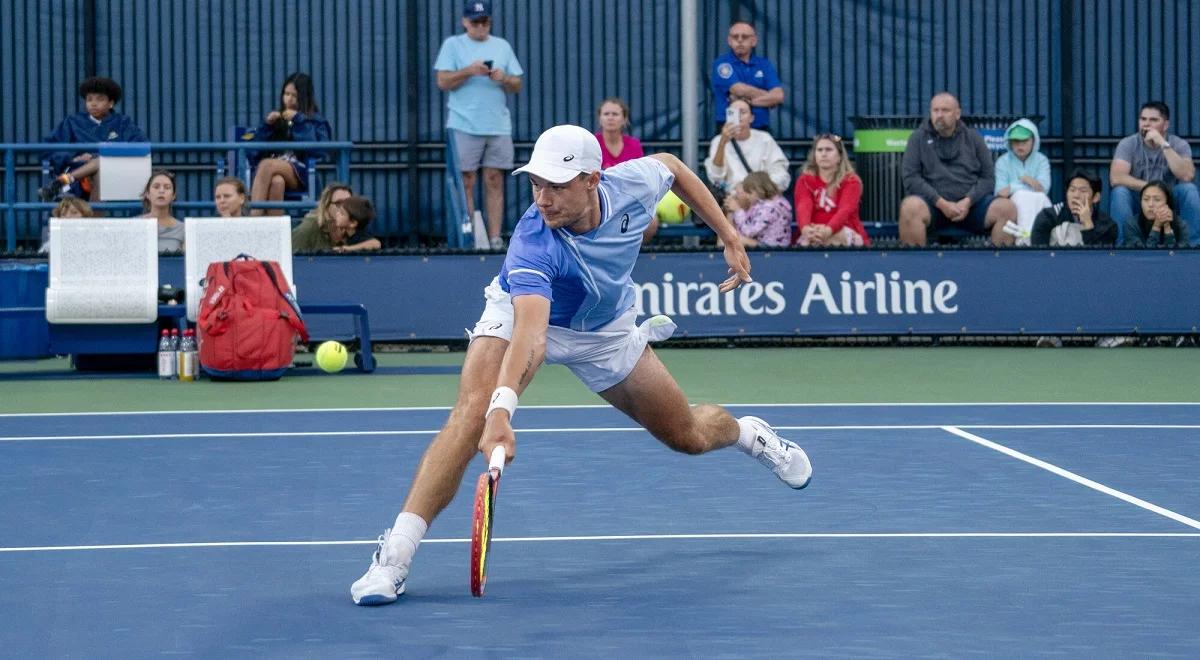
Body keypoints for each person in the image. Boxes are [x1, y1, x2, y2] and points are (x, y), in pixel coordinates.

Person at [350, 125, 812, 606]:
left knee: (688, 436)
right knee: (472, 416)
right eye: (536, 184)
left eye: (556, 185)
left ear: (593, 180)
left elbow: (674, 169)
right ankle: (394, 559)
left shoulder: (631, 183)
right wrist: (502, 411)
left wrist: (729, 234)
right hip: (523, 314)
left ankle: (748, 434)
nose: (543, 198)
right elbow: (531, 336)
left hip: (606, 332)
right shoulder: (534, 240)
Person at [434, 0, 524, 249]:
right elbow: (442, 81)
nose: (480, 27)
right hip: (464, 123)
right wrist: (468, 71)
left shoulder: (502, 46)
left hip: (497, 124)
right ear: (465, 22)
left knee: (495, 179)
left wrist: (503, 77)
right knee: (467, 180)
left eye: (484, 22)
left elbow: (517, 84)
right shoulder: (452, 45)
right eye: (475, 22)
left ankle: (494, 238)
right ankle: (470, 237)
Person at [898, 92, 1017, 246]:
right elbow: (911, 178)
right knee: (910, 207)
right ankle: (915, 268)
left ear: (957, 114)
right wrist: (942, 203)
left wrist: (967, 201)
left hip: (972, 207)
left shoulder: (974, 138)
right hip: (933, 207)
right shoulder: (917, 138)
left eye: (945, 110)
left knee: (1007, 209)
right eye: (935, 110)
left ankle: (998, 267)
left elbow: (988, 179)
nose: (939, 115)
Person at [39, 76, 148, 201]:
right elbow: (47, 150)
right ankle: (94, 217)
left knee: (101, 162)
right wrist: (73, 157)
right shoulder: (72, 122)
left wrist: (97, 156)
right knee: (99, 171)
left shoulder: (123, 123)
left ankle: (61, 182)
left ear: (111, 103)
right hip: (80, 175)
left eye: (100, 99)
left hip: (116, 174)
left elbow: (141, 147)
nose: (93, 103)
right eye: (89, 99)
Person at [242, 72, 333, 216]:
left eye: (294, 96)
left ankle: (253, 219)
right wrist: (266, 126)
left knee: (267, 164)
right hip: (276, 167)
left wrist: (300, 121)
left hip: (302, 171)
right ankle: (275, 234)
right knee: (277, 183)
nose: (288, 99)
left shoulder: (316, 120)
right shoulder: (277, 118)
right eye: (286, 94)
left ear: (304, 97)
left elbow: (320, 151)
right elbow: (252, 152)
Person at [1109, 101, 1199, 245]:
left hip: (1167, 200)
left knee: (1189, 190)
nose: (1146, 124)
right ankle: (1123, 246)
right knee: (1119, 192)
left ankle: (1194, 245)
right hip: (1140, 199)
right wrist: (1151, 189)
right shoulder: (1128, 143)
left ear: (1165, 125)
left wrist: (1163, 144)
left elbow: (1187, 175)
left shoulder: (1178, 144)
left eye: (1153, 120)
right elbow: (1116, 177)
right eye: (1143, 119)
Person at [594, 97, 655, 241]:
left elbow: (639, 178)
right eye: (606, 114)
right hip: (599, 200)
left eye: (615, 114)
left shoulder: (634, 145)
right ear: (600, 119)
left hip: (629, 199)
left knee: (652, 223)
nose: (610, 118)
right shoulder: (593, 143)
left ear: (624, 119)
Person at [793, 133, 869, 247]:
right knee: (808, 241)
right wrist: (805, 228)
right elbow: (803, 206)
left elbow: (845, 211)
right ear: (814, 155)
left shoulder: (851, 181)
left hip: (844, 229)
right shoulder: (804, 180)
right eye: (819, 150)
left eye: (828, 150)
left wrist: (828, 230)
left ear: (839, 156)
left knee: (835, 237)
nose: (823, 154)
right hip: (813, 231)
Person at [703, 99, 790, 194]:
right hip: (733, 198)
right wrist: (722, 143)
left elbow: (780, 172)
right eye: (733, 113)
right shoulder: (718, 141)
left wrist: (760, 189)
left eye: (743, 112)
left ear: (751, 118)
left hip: (760, 196)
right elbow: (716, 177)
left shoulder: (765, 139)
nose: (739, 116)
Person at [710, 21, 784, 131]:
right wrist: (768, 97)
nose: (739, 40)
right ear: (729, 41)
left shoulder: (764, 64)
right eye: (735, 37)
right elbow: (739, 89)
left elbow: (779, 96)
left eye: (744, 37)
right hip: (731, 126)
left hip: (760, 127)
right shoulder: (722, 64)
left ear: (754, 41)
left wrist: (749, 102)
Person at [993, 119, 1051, 246]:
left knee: (1039, 198)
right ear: (1010, 143)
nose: (1020, 145)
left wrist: (1013, 186)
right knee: (1022, 196)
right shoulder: (1002, 162)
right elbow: (1001, 192)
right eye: (1015, 141)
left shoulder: (1042, 160)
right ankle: (1027, 240)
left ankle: (1030, 239)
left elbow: (1043, 189)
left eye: (1024, 141)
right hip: (1012, 204)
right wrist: (1027, 183)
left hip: (1039, 202)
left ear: (1033, 141)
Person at [1030, 170, 1118, 247]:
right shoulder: (1048, 217)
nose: (1076, 195)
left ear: (1096, 197)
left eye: (1083, 191)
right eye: (1072, 190)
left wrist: (1088, 225)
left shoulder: (1107, 226)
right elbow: (1038, 255)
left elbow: (1101, 260)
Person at [295, 183, 382, 252]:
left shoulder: (355, 225)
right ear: (326, 206)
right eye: (338, 203)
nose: (343, 208)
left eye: (348, 204)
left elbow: (375, 244)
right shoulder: (309, 227)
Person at [722, 171, 792, 248]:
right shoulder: (764, 205)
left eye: (749, 193)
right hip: (767, 244)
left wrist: (738, 210)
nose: (747, 197)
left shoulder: (769, 208)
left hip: (773, 248)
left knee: (734, 239)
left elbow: (749, 232)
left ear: (758, 190)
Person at [1124, 181, 1188, 248]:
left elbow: (1176, 256)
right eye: (1146, 199)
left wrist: (1167, 228)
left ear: (1168, 203)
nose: (1150, 204)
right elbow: (1144, 256)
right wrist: (1156, 227)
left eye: (1157, 200)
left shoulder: (1181, 225)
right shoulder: (1131, 225)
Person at [138, 170, 184, 252]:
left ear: (173, 195)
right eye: (156, 187)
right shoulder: (135, 225)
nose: (161, 191)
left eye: (167, 187)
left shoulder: (183, 229)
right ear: (147, 194)